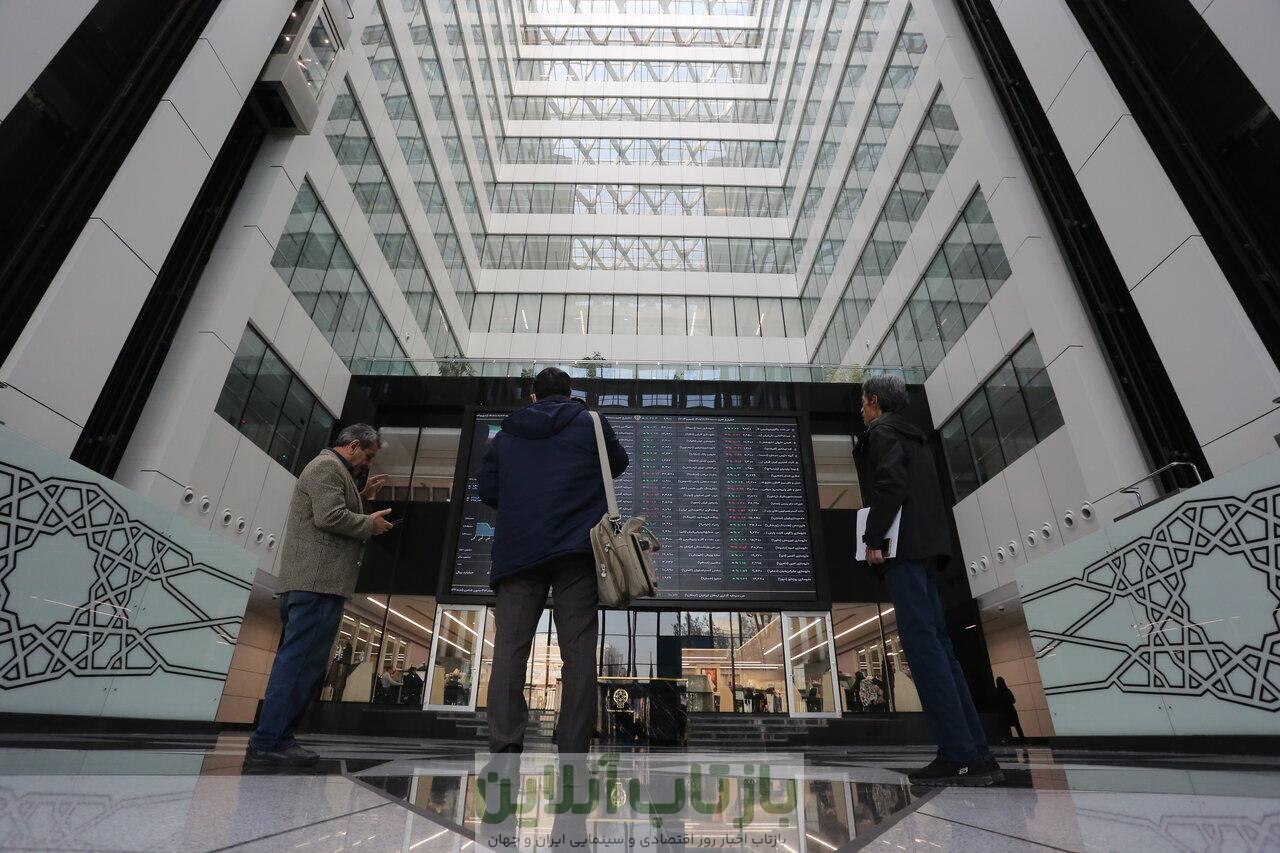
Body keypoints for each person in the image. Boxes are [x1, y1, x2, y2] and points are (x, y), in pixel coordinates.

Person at [478, 367, 628, 754]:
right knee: (578, 649)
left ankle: (506, 741)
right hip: (577, 552)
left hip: (517, 553)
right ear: (569, 392)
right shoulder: (591, 423)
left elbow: (488, 489)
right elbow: (618, 464)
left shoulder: (506, 435)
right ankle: (574, 743)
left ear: (533, 396)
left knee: (510, 648)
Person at [859, 374, 999, 786]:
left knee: (923, 650)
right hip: (929, 551)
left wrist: (873, 538)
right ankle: (977, 752)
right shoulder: (916, 438)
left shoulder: (882, 433)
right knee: (942, 650)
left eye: (863, 402)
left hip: (904, 552)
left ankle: (957, 754)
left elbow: (890, 484)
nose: (861, 409)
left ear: (874, 401)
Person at [247, 423, 394, 765]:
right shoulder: (327, 467)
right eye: (368, 455)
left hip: (317, 584)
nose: (368, 464)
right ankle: (269, 741)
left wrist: (363, 497)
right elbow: (330, 516)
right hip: (316, 583)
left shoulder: (335, 471)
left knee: (304, 665)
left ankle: (278, 738)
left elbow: (337, 509)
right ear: (353, 446)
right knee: (299, 665)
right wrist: (369, 524)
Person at [995, 677, 1025, 743]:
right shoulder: (1007, 690)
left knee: (1006, 727)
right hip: (1011, 710)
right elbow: (1013, 700)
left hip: (1003, 711)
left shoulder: (996, 692)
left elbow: (996, 702)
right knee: (1017, 726)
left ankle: (1007, 741)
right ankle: (1023, 740)